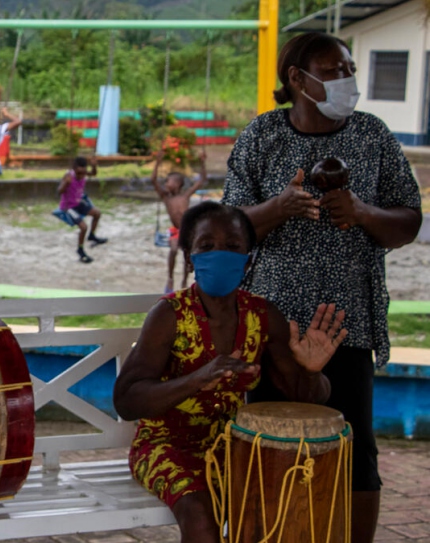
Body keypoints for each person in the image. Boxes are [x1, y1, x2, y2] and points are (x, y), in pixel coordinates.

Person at [221, 32, 422, 543]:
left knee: (355, 448)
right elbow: (229, 227)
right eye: (335, 70)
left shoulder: (373, 135)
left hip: (346, 320)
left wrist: (362, 213)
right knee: (264, 437)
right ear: (298, 79)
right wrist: (278, 207)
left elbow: (409, 221)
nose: (347, 80)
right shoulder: (261, 136)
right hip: (271, 322)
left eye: (349, 68)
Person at [113, 202, 348, 543]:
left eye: (233, 247)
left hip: (235, 447)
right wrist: (196, 379)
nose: (220, 255)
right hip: (165, 447)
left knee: (283, 502)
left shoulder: (263, 316)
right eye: (207, 246)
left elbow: (306, 397)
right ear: (190, 259)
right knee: (200, 515)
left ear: (248, 260)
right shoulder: (169, 315)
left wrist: (311, 371)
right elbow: (126, 400)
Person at [150, 149, 207, 294]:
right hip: (175, 231)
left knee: (188, 256)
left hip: (188, 230)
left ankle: (184, 280)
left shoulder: (185, 196)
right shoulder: (165, 197)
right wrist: (157, 162)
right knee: (174, 249)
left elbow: (201, 181)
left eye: (168, 182)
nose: (166, 184)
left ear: (178, 184)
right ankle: (170, 278)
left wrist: (202, 163)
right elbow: (153, 180)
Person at [54, 156, 107, 263]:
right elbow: (59, 191)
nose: (81, 176)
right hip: (68, 206)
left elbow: (93, 173)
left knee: (97, 213)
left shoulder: (83, 172)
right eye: (79, 173)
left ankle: (92, 236)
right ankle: (80, 250)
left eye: (83, 173)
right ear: (74, 169)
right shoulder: (69, 176)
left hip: (78, 202)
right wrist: (65, 184)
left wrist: (94, 166)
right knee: (83, 227)